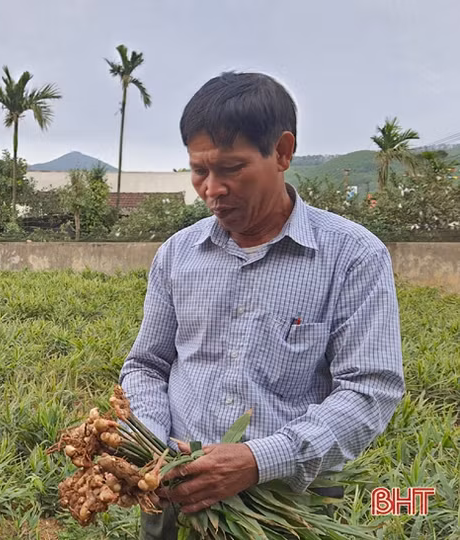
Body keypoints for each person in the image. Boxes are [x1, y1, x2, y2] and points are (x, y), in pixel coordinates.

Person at [118, 72, 405, 539]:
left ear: (283, 152)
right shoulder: (177, 254)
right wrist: (150, 443)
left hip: (284, 509)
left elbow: (369, 390)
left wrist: (258, 460)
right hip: (174, 498)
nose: (212, 189)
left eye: (231, 168)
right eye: (199, 171)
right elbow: (147, 365)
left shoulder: (353, 256)